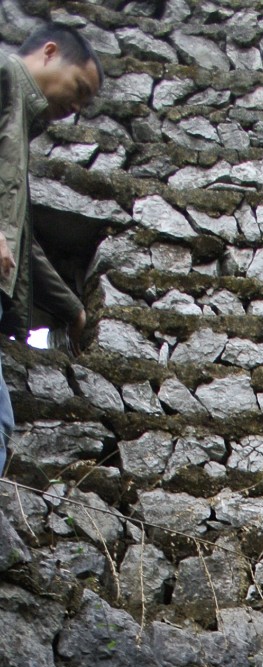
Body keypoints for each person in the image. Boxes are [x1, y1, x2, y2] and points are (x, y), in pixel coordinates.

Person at [0, 23, 102, 475]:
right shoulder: (3, 76)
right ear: (48, 52)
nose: (77, 106)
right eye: (79, 88)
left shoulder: (18, 122)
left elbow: (21, 243)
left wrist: (71, 310)